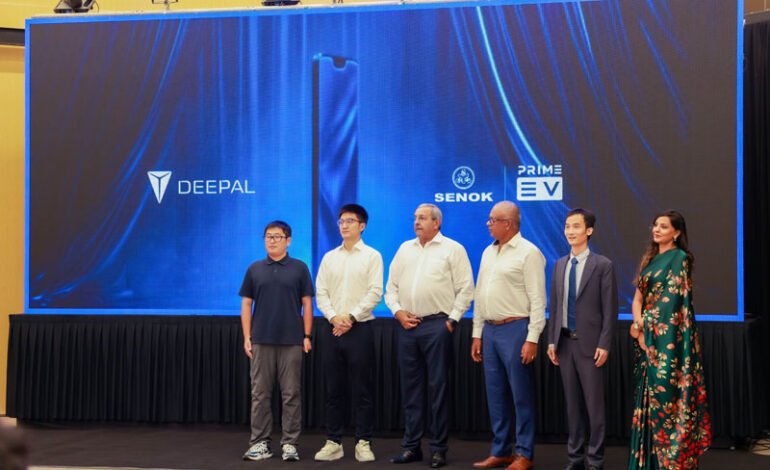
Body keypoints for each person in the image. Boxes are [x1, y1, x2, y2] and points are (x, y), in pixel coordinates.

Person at [384, 203, 474, 469]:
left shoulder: (453, 249)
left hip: (437, 325)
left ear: (436, 222)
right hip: (407, 326)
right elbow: (391, 288)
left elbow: (466, 288)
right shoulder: (404, 249)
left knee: (438, 389)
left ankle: (438, 449)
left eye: (422, 218)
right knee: (411, 391)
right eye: (415, 217)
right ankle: (411, 447)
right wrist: (398, 312)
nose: (416, 222)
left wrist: (452, 320)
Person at [628, 210, 711, 469]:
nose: (656, 229)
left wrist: (643, 326)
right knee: (648, 397)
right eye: (655, 225)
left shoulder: (680, 258)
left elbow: (671, 301)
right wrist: (638, 326)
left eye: (663, 226)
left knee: (668, 397)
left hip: (669, 344)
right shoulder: (650, 260)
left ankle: (672, 463)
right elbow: (638, 299)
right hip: (648, 339)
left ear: (676, 233)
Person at [471, 201, 546, 470]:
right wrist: (477, 334)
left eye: (493, 220)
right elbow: (480, 294)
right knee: (495, 394)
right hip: (490, 330)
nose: (488, 224)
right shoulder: (488, 252)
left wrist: (532, 338)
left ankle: (524, 453)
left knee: (520, 395)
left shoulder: (529, 253)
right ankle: (501, 450)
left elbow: (538, 299)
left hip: (516, 329)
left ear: (509, 224)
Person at [546, 208, 618, 470]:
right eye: (567, 226)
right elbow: (555, 306)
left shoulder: (603, 265)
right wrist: (552, 341)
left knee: (594, 407)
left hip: (590, 346)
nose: (570, 231)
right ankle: (575, 458)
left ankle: (595, 460)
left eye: (576, 226)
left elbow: (609, 309)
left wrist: (604, 344)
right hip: (565, 344)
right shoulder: (560, 264)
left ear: (589, 231)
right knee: (572, 406)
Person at [313, 204, 383, 462]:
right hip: (332, 328)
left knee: (363, 389)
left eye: (350, 221)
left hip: (360, 328)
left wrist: (351, 317)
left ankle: (363, 441)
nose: (344, 225)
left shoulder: (372, 256)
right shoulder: (329, 257)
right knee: (333, 388)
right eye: (341, 221)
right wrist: (334, 317)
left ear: (362, 226)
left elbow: (375, 292)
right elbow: (321, 292)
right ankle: (334, 441)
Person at [240, 220, 314, 462]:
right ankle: (260, 443)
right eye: (268, 237)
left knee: (291, 393)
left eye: (277, 236)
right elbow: (246, 304)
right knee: (259, 394)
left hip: (292, 339)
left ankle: (290, 443)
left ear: (288, 240)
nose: (272, 241)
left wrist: (306, 335)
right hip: (261, 339)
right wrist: (247, 337)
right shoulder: (254, 269)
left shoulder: (300, 268)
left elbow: (307, 303)